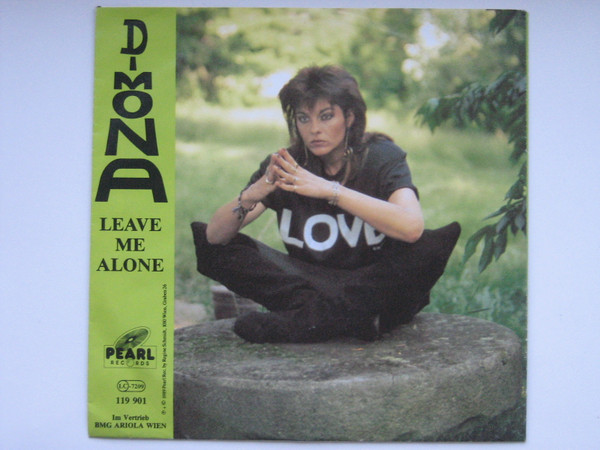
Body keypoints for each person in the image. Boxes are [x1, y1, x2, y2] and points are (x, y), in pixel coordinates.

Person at [191, 65, 460, 344]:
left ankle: (305, 322)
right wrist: (253, 193)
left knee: (429, 246)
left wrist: (330, 190)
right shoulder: (289, 165)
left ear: (350, 117)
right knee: (210, 245)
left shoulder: (381, 157)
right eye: (303, 119)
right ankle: (344, 319)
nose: (315, 129)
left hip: (374, 284)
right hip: (312, 284)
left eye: (326, 116)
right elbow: (215, 236)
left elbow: (411, 227)